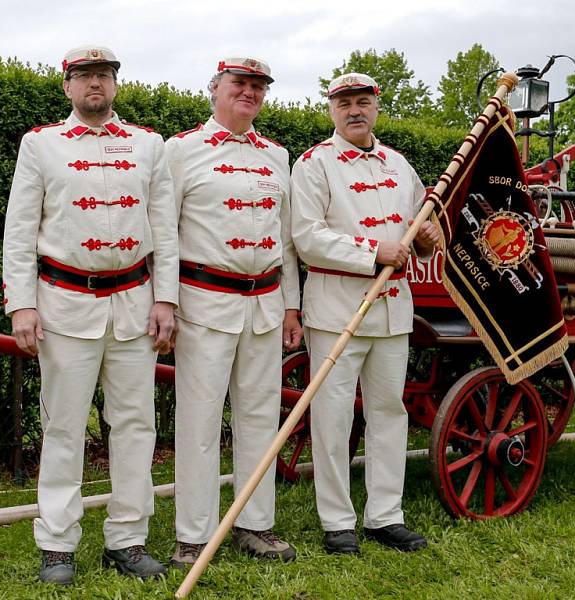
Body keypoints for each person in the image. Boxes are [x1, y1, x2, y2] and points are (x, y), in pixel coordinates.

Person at [2, 45, 178, 585]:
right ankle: (57, 545)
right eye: (85, 76)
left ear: (115, 85)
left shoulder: (149, 146)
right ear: (68, 88)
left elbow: (165, 229)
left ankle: (128, 538)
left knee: (135, 425)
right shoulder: (41, 145)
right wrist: (22, 304)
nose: (94, 84)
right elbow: (19, 229)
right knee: (62, 427)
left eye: (103, 75)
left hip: (134, 303)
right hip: (63, 304)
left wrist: (166, 300)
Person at [291, 72, 438, 554]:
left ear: (376, 105)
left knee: (388, 414)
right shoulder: (314, 164)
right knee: (332, 418)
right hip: (337, 311)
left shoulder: (399, 164)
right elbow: (306, 236)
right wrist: (375, 250)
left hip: (393, 312)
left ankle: (384, 516)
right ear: (332, 110)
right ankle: (337, 522)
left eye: (363, 102)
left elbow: (424, 224)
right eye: (344, 103)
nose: (354, 110)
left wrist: (428, 237)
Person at [165, 56, 301, 568]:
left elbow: (286, 240)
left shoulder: (277, 156)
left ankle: (255, 525)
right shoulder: (181, 150)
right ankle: (193, 535)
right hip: (204, 303)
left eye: (257, 87)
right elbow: (165, 233)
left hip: (265, 305)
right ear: (215, 89)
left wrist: (292, 306)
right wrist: (167, 301)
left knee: (260, 420)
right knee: (199, 424)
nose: (249, 93)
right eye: (238, 84)